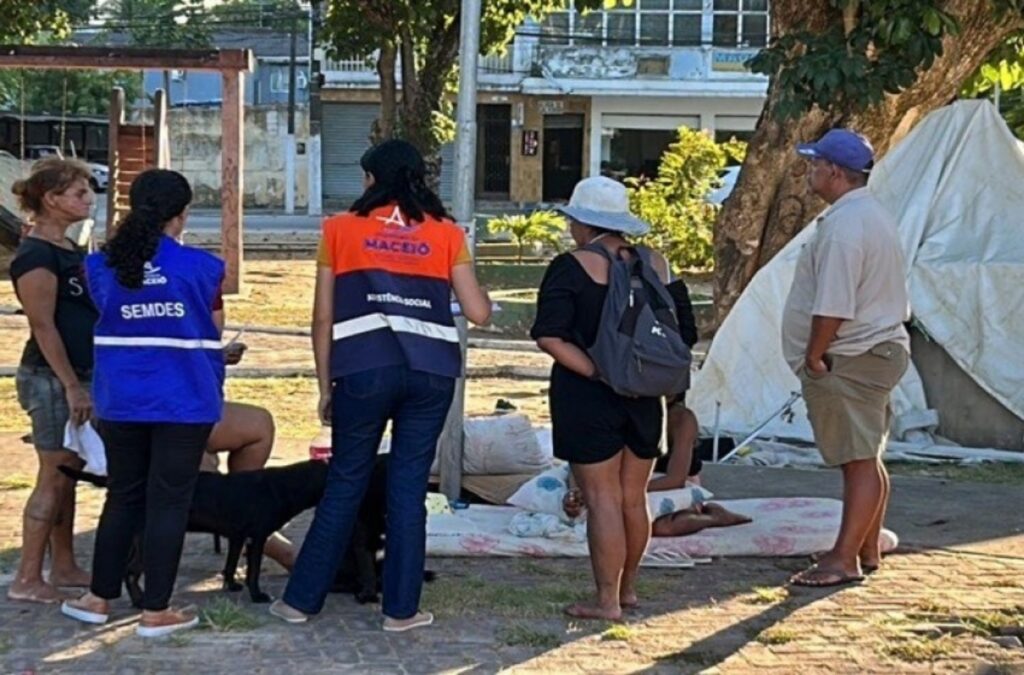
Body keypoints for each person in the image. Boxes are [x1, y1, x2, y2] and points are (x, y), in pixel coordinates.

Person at [269, 139, 491, 631]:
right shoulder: (448, 235)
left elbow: (322, 316)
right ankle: (402, 611)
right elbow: (477, 312)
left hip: (362, 371)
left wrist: (326, 385)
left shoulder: (339, 230)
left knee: (345, 483)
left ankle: (299, 602)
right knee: (408, 492)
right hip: (432, 375)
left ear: (372, 179)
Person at [61, 169, 226, 637]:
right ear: (183, 214)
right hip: (184, 399)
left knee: (123, 496)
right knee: (169, 503)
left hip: (121, 399)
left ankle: (97, 598)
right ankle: (156, 609)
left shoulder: (97, 266)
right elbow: (212, 331)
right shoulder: (204, 267)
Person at [531, 175, 684, 621]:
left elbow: (549, 334)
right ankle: (630, 588)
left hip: (588, 395)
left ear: (581, 222)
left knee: (601, 499)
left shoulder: (571, 265)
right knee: (634, 498)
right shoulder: (656, 263)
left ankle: (607, 600)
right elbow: (682, 330)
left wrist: (597, 370)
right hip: (645, 394)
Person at [782, 129, 910, 587]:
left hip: (851, 354)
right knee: (868, 455)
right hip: (877, 348)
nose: (809, 171)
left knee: (856, 460)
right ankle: (865, 546)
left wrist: (815, 355)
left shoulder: (845, 227)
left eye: (814, 164)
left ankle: (843, 559)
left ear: (834, 171)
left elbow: (833, 304)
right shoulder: (869, 213)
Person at [8, 158, 97, 604]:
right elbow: (43, 326)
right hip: (52, 377)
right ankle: (27, 577)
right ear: (52, 199)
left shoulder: (68, 249)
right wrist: (71, 384)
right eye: (79, 193)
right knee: (52, 476)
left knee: (70, 471)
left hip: (78, 374)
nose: (89, 200)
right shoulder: (37, 256)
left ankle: (63, 563)